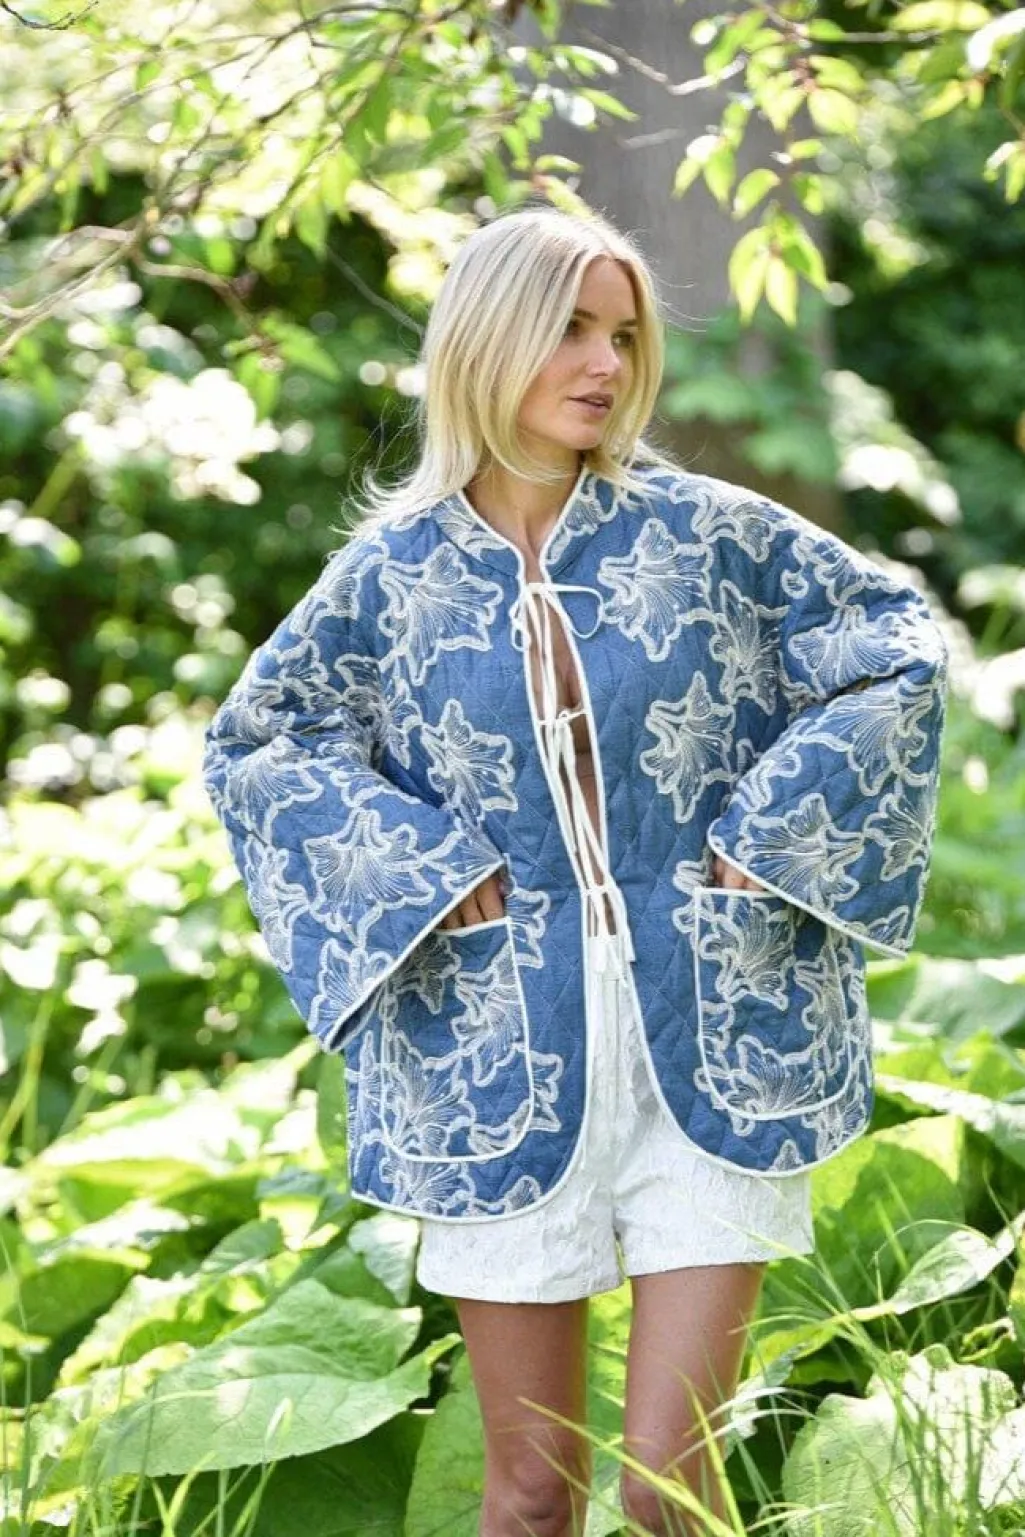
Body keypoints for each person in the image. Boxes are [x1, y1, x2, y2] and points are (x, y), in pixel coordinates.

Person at [202, 206, 947, 1537]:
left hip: (719, 1037)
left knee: (670, 1495)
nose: (606, 363)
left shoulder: (712, 536)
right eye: (570, 329)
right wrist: (422, 865)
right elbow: (259, 745)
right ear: (487, 340)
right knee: (532, 1495)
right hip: (494, 1058)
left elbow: (894, 650)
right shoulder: (389, 582)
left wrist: (768, 834)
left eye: (623, 334)